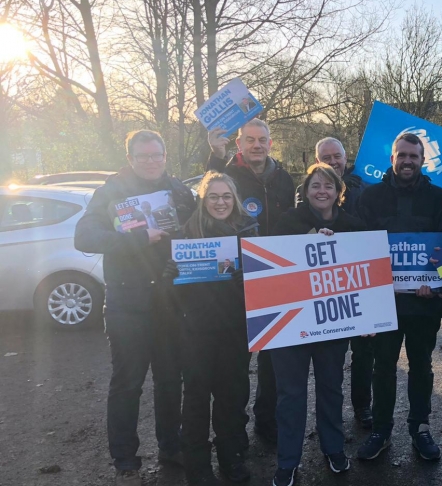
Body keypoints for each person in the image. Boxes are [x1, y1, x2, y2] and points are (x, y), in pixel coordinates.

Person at [75, 130, 196, 486]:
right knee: (128, 383)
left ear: (164, 156)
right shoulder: (110, 192)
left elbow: (197, 230)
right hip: (127, 300)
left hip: (170, 300)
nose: (150, 161)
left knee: (170, 380)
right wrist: (139, 238)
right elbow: (84, 237)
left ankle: (170, 446)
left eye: (156, 155)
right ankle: (125, 458)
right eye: (143, 156)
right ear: (130, 158)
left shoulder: (178, 190)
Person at [270, 163, 366, 486]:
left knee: (331, 388)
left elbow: (364, 276)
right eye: (315, 186)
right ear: (306, 191)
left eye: (328, 186)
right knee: (290, 395)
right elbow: (272, 266)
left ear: (339, 192)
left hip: (332, 324)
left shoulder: (354, 227)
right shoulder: (287, 222)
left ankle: (334, 448)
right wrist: (307, 242)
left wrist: (368, 315)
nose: (321, 191)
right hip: (291, 325)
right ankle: (287, 461)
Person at [355, 132, 442, 462]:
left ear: (423, 161)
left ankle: (420, 428)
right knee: (383, 367)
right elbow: (360, 247)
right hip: (383, 301)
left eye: (414, 156)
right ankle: (381, 429)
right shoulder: (370, 197)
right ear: (391, 159)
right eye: (402, 155)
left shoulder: (440, 198)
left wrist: (435, 279)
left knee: (422, 366)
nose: (407, 161)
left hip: (424, 300)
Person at [163, 172, 258, 485]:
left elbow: (265, 279)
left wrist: (250, 276)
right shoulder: (187, 232)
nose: (221, 202)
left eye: (226, 196)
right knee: (196, 399)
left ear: (235, 199)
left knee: (232, 396)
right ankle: (198, 466)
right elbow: (169, 290)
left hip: (234, 328)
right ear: (204, 200)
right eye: (214, 197)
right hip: (196, 330)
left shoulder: (249, 230)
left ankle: (231, 458)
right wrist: (172, 273)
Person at [207, 119, 295, 445]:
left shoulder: (284, 179)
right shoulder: (227, 176)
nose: (256, 145)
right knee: (235, 365)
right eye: (250, 139)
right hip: (236, 285)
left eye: (262, 139)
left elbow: (295, 224)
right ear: (239, 143)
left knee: (273, 363)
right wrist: (215, 157)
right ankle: (233, 433)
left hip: (276, 282)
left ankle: (266, 422)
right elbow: (207, 198)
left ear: (270, 143)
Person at [297, 136, 373, 428]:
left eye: (336, 156)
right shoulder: (305, 192)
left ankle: (362, 405)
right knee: (330, 353)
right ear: (317, 162)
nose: (332, 162)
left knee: (364, 350)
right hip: (322, 283)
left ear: (345, 157)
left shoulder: (364, 189)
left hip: (357, 277)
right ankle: (327, 417)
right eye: (325, 157)